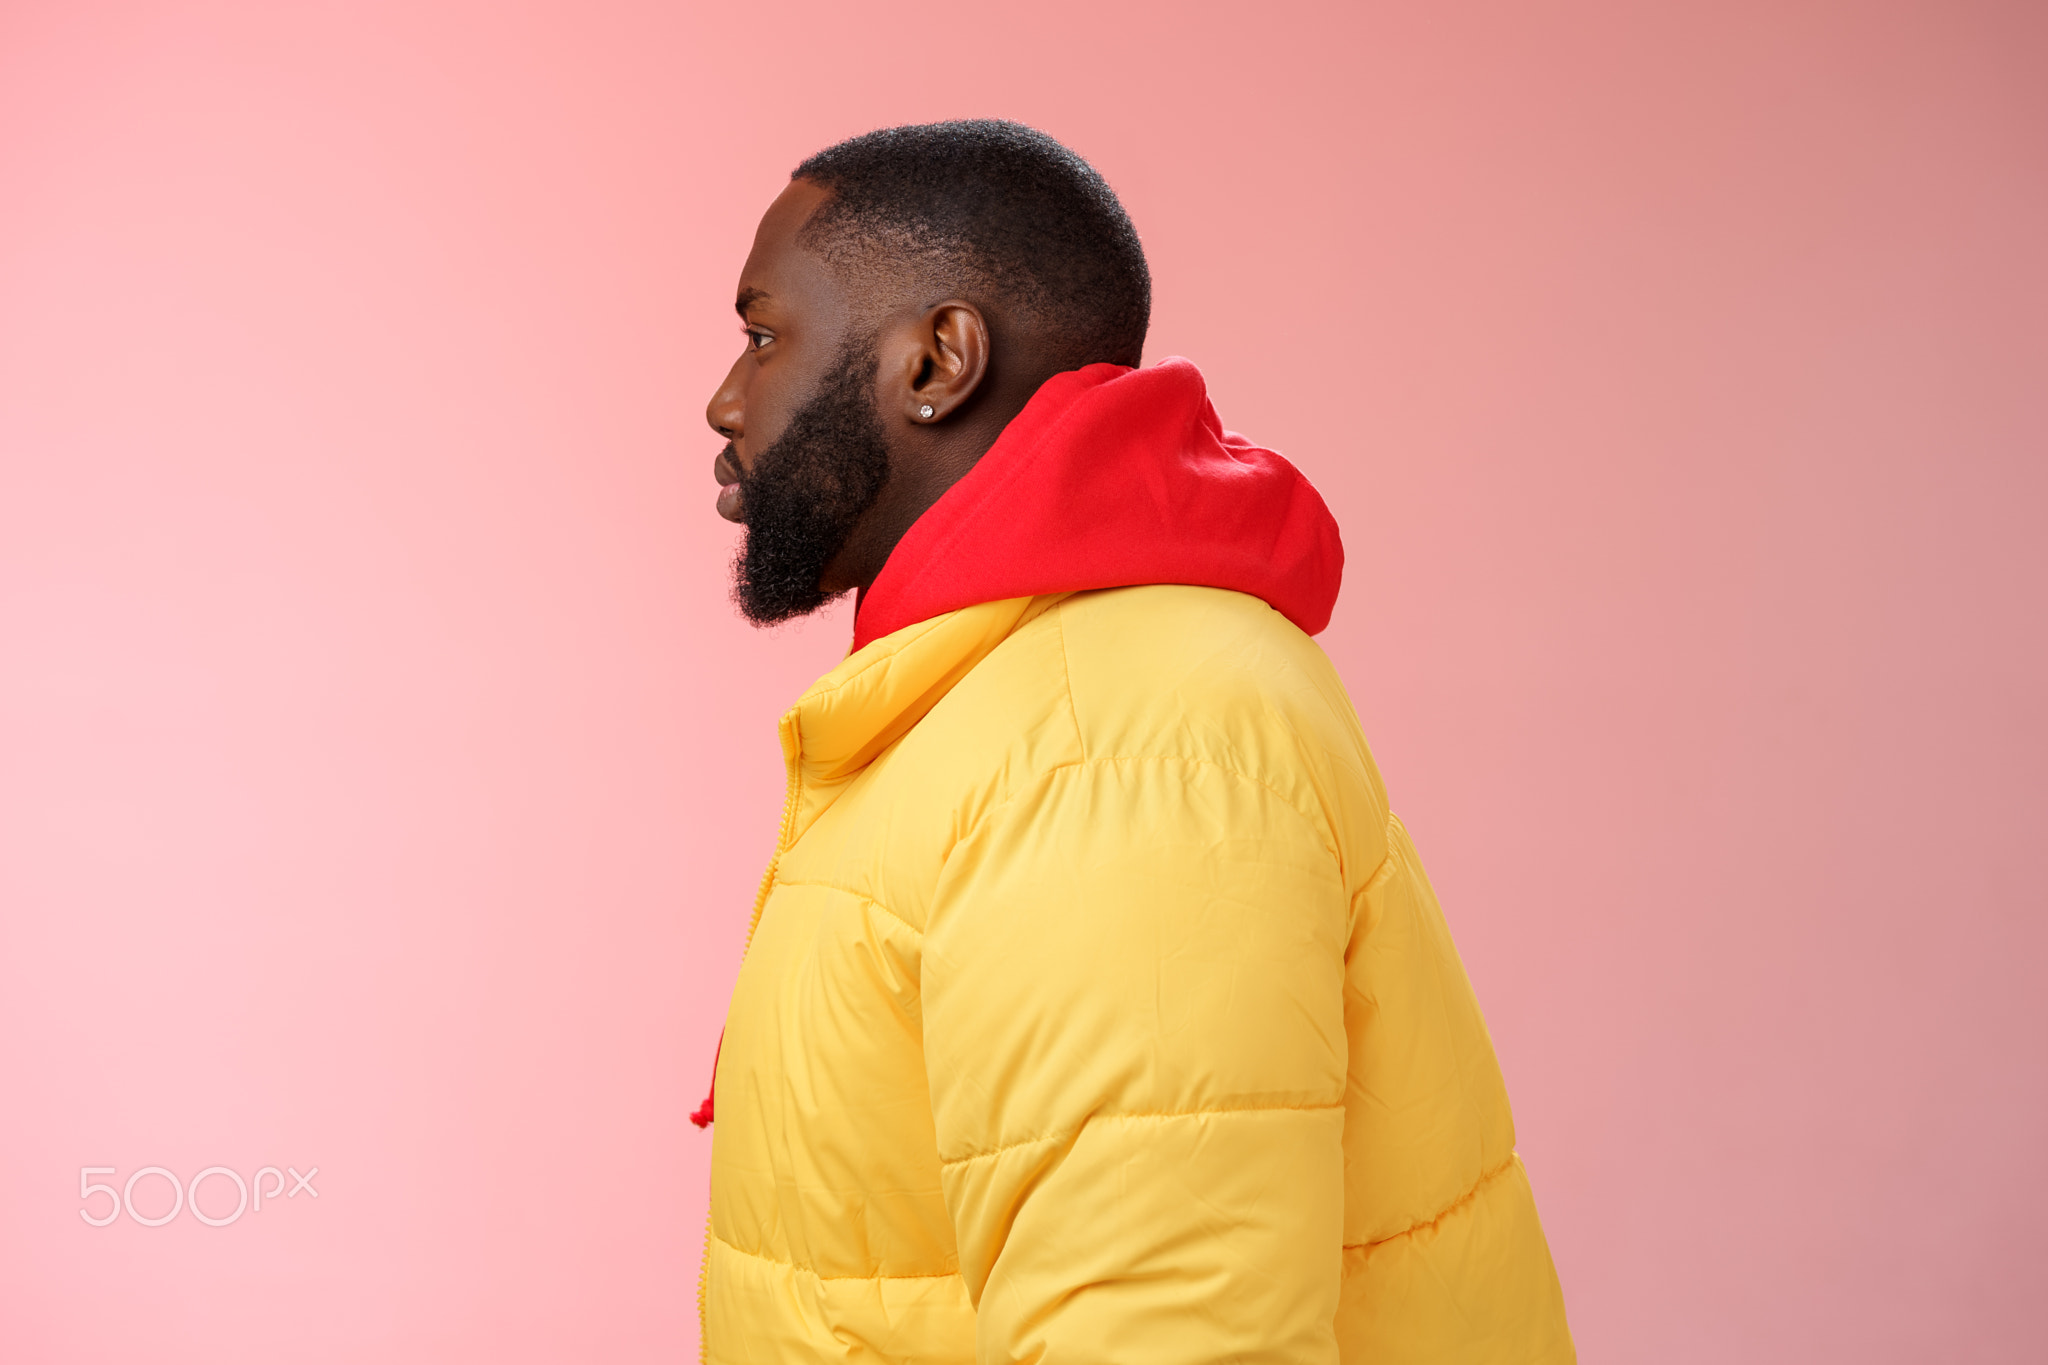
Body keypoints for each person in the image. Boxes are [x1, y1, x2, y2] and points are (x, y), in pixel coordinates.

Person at [693, 119, 1574, 1363]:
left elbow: (1166, 1329)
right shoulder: (1006, 697)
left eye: (762, 335)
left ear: (935, 362)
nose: (725, 401)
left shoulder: (1108, 745)